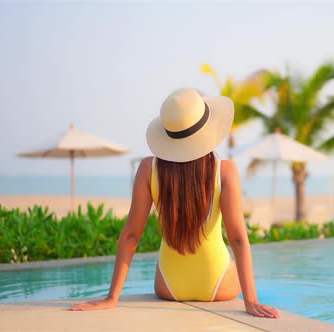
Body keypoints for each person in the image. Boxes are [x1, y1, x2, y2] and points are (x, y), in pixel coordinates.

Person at [69, 88, 279, 318]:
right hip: (217, 284)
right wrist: (251, 301)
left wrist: (112, 298)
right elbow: (238, 238)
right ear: (208, 129)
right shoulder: (225, 171)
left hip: (169, 286)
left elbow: (131, 236)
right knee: (225, 253)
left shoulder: (148, 169)